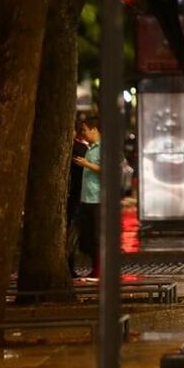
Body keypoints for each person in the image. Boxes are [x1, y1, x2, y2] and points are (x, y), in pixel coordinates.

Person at [72, 117, 101, 279]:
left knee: (96, 236)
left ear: (94, 129)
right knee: (87, 236)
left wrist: (87, 164)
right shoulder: (90, 148)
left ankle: (98, 269)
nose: (83, 134)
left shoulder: (102, 149)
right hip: (86, 198)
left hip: (97, 199)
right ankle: (94, 268)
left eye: (85, 130)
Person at [67, 118, 88, 278]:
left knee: (70, 232)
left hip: (74, 196)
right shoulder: (81, 148)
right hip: (77, 196)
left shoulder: (79, 148)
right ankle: (69, 264)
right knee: (72, 233)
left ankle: (69, 264)